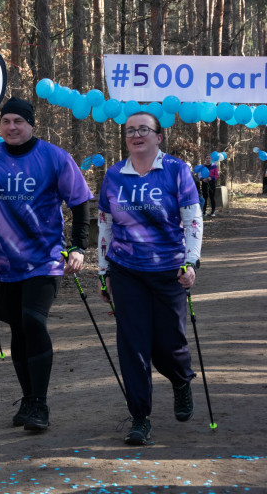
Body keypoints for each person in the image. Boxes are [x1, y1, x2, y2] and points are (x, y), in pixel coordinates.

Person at [0, 96, 93, 433]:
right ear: (0, 126)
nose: (12, 127)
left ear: (32, 124)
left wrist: (78, 246)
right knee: (18, 328)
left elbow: (80, 201)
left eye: (19, 121)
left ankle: (41, 404)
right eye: (6, 121)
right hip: (5, 263)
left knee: (33, 322)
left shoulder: (53, 157)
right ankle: (28, 398)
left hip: (45, 259)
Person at [97, 111, 203, 446]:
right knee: (133, 345)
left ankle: (181, 380)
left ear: (158, 136)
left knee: (168, 345)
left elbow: (192, 220)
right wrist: (104, 273)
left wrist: (191, 263)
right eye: (130, 130)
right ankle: (140, 417)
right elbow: (105, 226)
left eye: (144, 129)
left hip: (168, 270)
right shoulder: (114, 175)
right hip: (127, 269)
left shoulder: (176, 171)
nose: (136, 134)